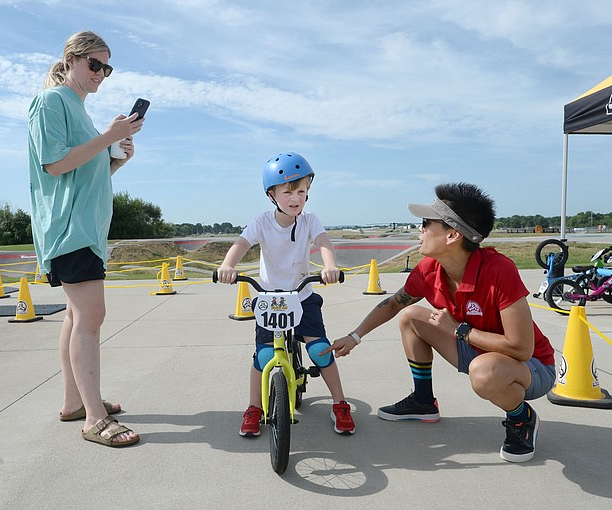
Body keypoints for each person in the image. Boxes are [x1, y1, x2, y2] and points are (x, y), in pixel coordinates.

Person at [322, 182, 555, 462]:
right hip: (479, 350)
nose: (418, 230)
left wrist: (458, 330)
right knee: (411, 317)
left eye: (425, 224)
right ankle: (423, 402)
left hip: (532, 367)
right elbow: (394, 304)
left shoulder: (499, 270)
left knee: (484, 373)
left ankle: (521, 418)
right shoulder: (429, 268)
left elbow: (521, 349)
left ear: (452, 234)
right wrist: (355, 336)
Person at [28, 31, 143, 447]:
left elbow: (88, 177)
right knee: (91, 318)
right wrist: (107, 138)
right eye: (94, 64)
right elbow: (55, 164)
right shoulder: (53, 101)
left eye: (106, 68)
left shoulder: (81, 113)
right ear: (72, 60)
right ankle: (94, 418)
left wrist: (115, 159)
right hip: (69, 227)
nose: (100, 74)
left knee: (77, 317)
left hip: (85, 228)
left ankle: (74, 402)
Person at [216, 152, 355, 436]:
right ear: (272, 195)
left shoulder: (309, 221)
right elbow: (242, 244)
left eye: (301, 191)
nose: (296, 198)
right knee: (264, 357)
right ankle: (254, 407)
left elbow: (324, 242)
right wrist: (228, 265)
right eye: (288, 191)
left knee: (318, 349)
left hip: (302, 297)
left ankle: (340, 403)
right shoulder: (261, 222)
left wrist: (330, 266)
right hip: (269, 301)